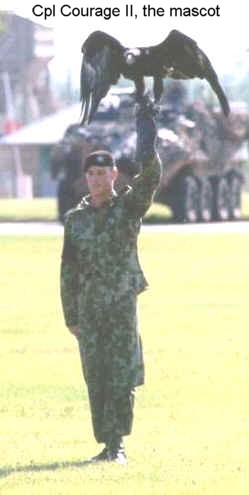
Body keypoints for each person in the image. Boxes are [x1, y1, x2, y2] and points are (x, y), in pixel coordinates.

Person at [60, 95, 162, 464]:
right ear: (85, 177)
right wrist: (70, 315)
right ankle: (104, 443)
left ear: (114, 175)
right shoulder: (75, 220)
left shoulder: (127, 209)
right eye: (91, 174)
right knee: (96, 377)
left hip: (120, 307)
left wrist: (146, 131)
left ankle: (118, 444)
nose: (97, 179)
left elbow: (150, 178)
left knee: (121, 374)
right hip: (89, 310)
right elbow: (68, 270)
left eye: (103, 173)